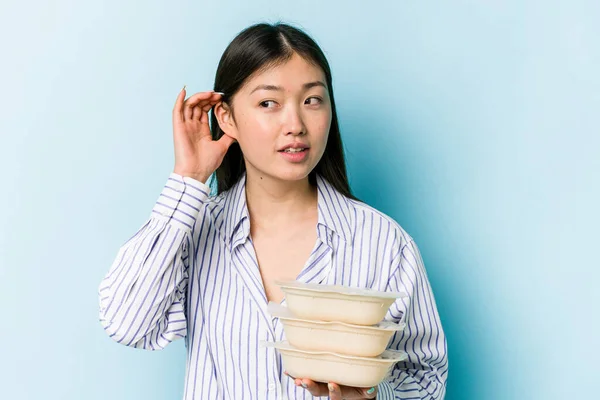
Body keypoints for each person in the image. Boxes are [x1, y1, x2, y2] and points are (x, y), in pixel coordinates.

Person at [97, 22, 447, 400]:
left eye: (312, 100)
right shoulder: (193, 232)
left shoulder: (383, 242)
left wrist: (370, 396)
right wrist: (189, 179)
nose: (295, 125)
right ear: (227, 117)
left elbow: (425, 381)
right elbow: (127, 323)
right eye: (269, 103)